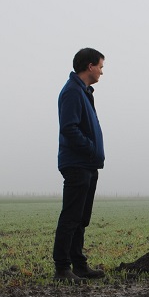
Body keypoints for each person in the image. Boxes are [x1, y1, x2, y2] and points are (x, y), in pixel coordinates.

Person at [52, 47, 107, 283]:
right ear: (90, 66)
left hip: (87, 163)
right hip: (77, 163)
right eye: (101, 67)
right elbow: (69, 128)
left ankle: (79, 264)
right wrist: (90, 148)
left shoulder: (84, 91)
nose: (102, 72)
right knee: (71, 215)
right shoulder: (73, 92)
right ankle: (62, 268)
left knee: (82, 217)